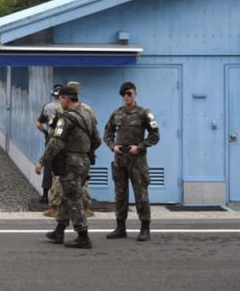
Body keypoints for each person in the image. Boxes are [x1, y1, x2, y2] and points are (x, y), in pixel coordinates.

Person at [35, 85, 101, 249]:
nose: (59, 101)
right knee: (67, 195)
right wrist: (84, 152)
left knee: (73, 198)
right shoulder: (87, 114)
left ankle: (83, 235)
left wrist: (42, 161)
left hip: (71, 162)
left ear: (67, 99)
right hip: (84, 161)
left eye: (61, 98)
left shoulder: (66, 118)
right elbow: (97, 140)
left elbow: (56, 142)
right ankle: (59, 230)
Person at [103, 81, 160, 242]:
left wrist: (140, 147)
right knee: (120, 195)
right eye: (124, 94)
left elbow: (155, 135)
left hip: (137, 160)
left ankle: (145, 229)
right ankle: (120, 228)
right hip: (120, 160)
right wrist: (113, 146)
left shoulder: (144, 113)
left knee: (141, 195)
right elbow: (107, 134)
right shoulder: (116, 114)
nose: (126, 97)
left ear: (135, 94)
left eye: (129, 93)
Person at [44, 81, 96, 218]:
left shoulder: (80, 110)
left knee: (68, 184)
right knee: (71, 184)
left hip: (69, 154)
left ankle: (76, 214)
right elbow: (95, 135)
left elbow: (52, 132)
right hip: (78, 154)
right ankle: (62, 211)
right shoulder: (84, 110)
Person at [35, 84, 62, 204]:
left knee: (48, 165)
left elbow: (38, 123)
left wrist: (45, 132)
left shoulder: (48, 107)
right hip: (64, 141)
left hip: (51, 139)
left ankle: (46, 195)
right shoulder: (68, 107)